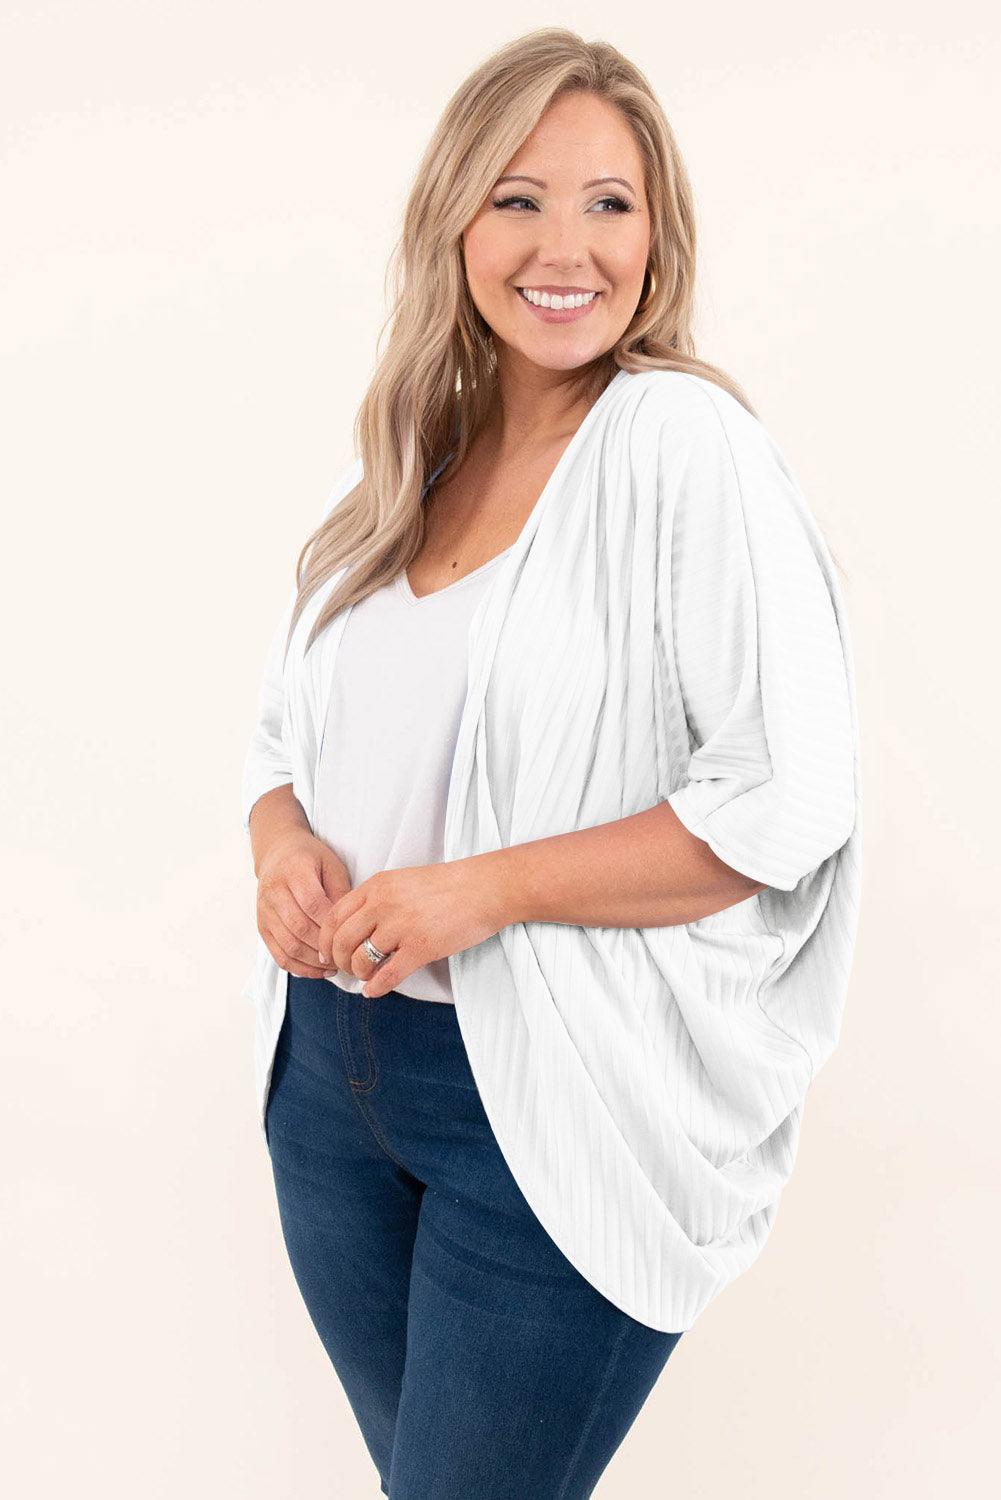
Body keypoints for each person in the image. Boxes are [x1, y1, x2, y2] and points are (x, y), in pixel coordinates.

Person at [240, 28, 862, 1500]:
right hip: (331, 1083)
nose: (564, 247)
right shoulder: (405, 460)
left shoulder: (682, 444)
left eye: (608, 203)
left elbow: (783, 795)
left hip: (547, 1103)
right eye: (518, 198)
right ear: (454, 220)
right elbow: (280, 741)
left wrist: (481, 890)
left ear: (658, 236)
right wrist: (280, 849)